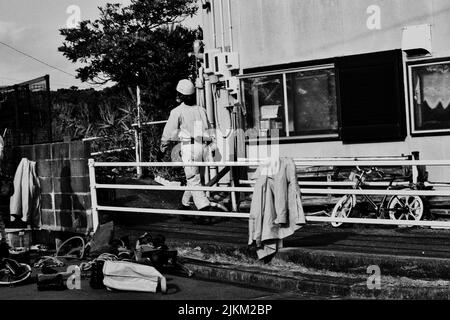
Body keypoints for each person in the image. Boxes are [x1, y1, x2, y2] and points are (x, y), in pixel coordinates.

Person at [159, 79, 216, 223]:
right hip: (203, 147)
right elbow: (210, 130)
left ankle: (205, 211)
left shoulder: (177, 111)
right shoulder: (202, 110)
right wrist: (212, 147)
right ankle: (184, 207)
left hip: (189, 148)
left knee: (193, 180)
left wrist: (163, 148)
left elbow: (168, 133)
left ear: (181, 95)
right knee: (195, 180)